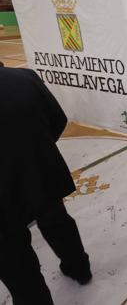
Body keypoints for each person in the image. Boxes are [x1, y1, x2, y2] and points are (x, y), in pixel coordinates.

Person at [0, 66, 92, 304]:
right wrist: (39, 149)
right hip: (41, 172)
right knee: (58, 222)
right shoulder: (25, 77)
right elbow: (58, 119)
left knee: (14, 257)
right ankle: (79, 268)